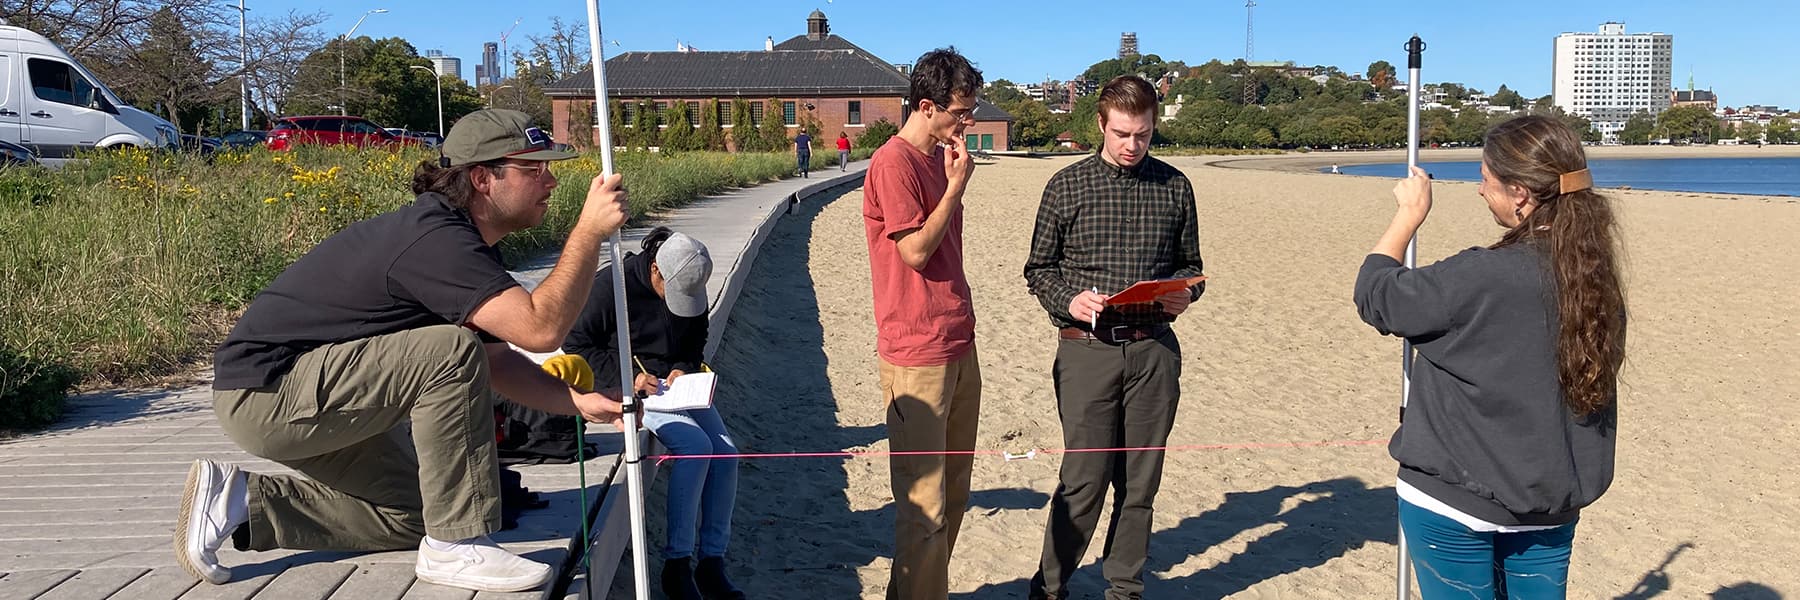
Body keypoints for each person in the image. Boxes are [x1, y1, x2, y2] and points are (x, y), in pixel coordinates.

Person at [179, 109, 632, 593]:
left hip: (317, 395)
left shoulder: (458, 240)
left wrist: (578, 402)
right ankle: (457, 548)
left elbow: (497, 360)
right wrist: (588, 232)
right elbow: (539, 330)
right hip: (269, 396)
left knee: (421, 513)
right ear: (482, 178)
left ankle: (241, 500)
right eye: (533, 168)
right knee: (450, 352)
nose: (552, 180)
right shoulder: (437, 241)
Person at [1353, 114, 1625, 599]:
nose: (1481, 191)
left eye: (1486, 180)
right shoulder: (1595, 275)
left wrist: (1407, 217)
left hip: (1458, 501)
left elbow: (1377, 296)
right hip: (1551, 495)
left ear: (1520, 192)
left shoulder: (1485, 275)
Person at [1022, 75, 1205, 600]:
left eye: (1143, 135)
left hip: (1154, 351)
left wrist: (1185, 295)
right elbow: (1039, 270)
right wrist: (1069, 302)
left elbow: (1191, 267)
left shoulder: (1175, 187)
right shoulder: (1066, 185)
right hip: (1087, 351)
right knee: (1084, 480)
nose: (1132, 145)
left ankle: (1124, 589)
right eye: (1122, 133)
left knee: (1140, 483)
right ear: (1100, 124)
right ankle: (1050, 589)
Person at [563, 227, 745, 600]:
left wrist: (683, 365)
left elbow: (697, 337)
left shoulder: (691, 279)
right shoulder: (610, 285)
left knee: (726, 453)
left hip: (676, 387)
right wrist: (629, 378)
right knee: (695, 446)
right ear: (656, 272)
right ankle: (677, 566)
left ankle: (712, 562)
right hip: (631, 390)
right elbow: (576, 344)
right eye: (672, 295)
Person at [861, 47, 982, 600]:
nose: (968, 122)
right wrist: (957, 188)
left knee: (954, 494)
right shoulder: (894, 162)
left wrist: (953, 178)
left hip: (958, 340)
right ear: (927, 105)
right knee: (923, 504)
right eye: (960, 111)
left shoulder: (940, 155)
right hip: (916, 352)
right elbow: (913, 251)